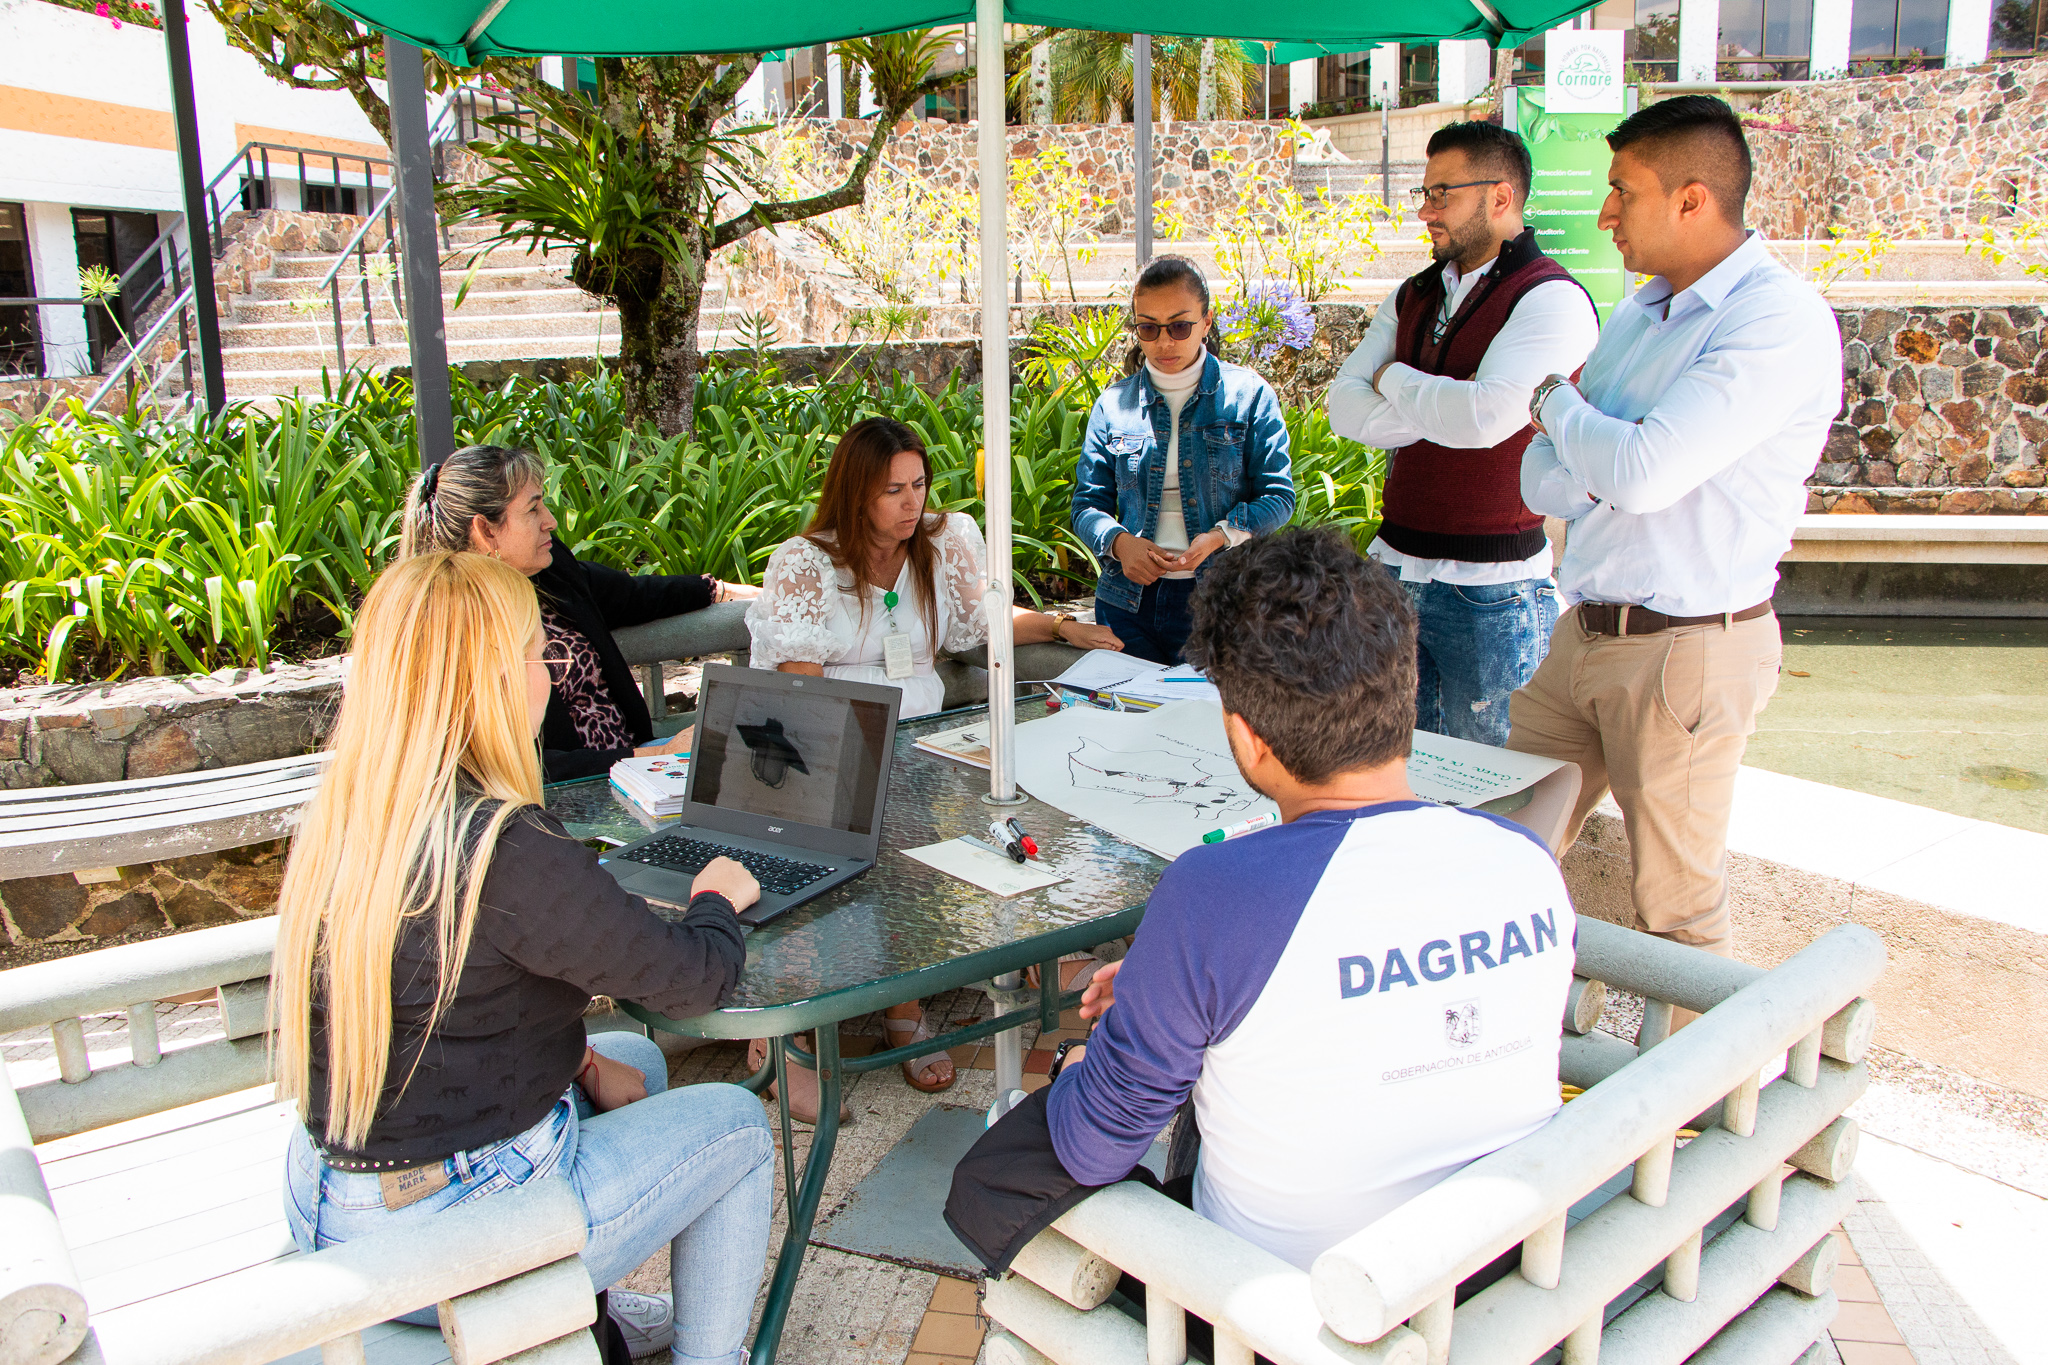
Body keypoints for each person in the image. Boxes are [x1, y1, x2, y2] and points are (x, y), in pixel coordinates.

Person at [945, 526, 1575, 1280]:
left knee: (1007, 1160)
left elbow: (1096, 1142)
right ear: (1404, 689)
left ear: (1245, 739)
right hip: (1499, 1276)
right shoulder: (1526, 862)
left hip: (1296, 1310)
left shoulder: (1218, 891)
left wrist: (1093, 1055)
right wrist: (1166, 993)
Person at [272, 551, 772, 1365]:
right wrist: (716, 899)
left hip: (329, 1198)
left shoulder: (349, 818)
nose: (551, 669)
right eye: (539, 652)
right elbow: (694, 978)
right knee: (739, 1126)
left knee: (634, 1056)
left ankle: (596, 1321)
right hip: (454, 1233)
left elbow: (449, 1006)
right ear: (489, 679)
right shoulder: (504, 847)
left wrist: (575, 1059)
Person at [1509, 96, 1841, 967]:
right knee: (1501, 849)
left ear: (1692, 200)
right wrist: (1597, 445)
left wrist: (1555, 402)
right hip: (1582, 633)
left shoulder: (1776, 320)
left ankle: (1706, 1098)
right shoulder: (1635, 316)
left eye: (1622, 190)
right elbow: (1541, 478)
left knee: (1679, 910)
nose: (1603, 212)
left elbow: (1638, 473)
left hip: (1687, 650)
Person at [746, 415, 1122, 1111]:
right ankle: (868, 1016)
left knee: (1023, 790)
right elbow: (804, 691)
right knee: (900, 833)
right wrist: (873, 761)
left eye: (919, 484)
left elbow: (985, 628)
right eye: (894, 490)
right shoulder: (807, 562)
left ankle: (1042, 956)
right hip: (833, 750)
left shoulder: (940, 546)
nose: (912, 502)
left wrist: (1063, 626)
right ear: (857, 492)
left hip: (926, 737)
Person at [1328, 121, 1601, 746]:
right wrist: (1445, 398)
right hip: (1394, 574)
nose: (1425, 211)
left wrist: (1393, 375)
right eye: (1424, 193)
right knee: (1389, 767)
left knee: (1496, 787)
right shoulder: (1416, 293)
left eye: (1441, 193)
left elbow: (1485, 421)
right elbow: (1343, 408)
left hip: (1496, 593)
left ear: (1500, 198)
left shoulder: (1550, 299)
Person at [401, 443, 759, 782]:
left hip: (636, 766)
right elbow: (502, 771)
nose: (551, 521)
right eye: (533, 509)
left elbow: (630, 595)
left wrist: (720, 590)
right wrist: (654, 755)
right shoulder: (447, 628)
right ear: (484, 530)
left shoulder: (549, 570)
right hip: (562, 801)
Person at [1070, 255, 1297, 665]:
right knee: (1127, 724)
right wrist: (1121, 545)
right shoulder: (1114, 404)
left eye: (1179, 326)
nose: (1163, 342)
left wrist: (1220, 536)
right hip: (1127, 604)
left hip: (1223, 603)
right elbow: (1087, 505)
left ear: (1207, 321)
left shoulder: (1249, 395)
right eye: (1148, 328)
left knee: (1210, 724)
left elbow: (1279, 497)